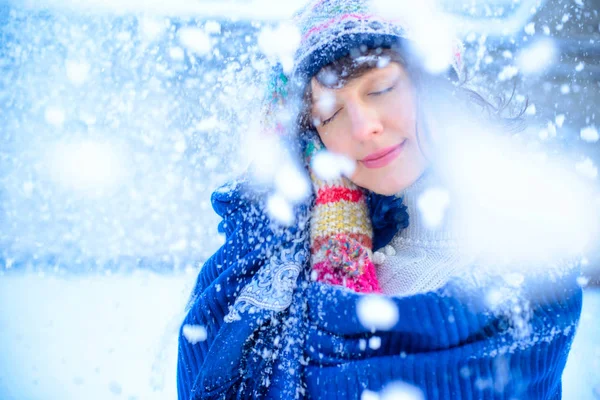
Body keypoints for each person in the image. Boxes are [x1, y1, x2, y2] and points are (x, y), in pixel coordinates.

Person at [177, 0, 585, 398]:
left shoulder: (528, 268)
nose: (363, 127)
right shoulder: (277, 258)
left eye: (382, 88)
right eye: (330, 113)